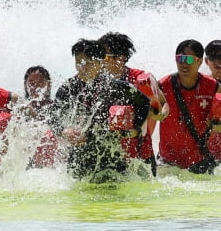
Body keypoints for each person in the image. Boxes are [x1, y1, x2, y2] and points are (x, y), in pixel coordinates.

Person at [50, 39, 150, 183]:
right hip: (78, 157)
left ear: (100, 62)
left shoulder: (117, 86)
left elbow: (144, 103)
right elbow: (53, 117)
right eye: (78, 62)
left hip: (110, 154)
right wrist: (64, 131)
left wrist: (136, 129)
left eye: (88, 63)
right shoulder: (68, 89)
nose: (82, 67)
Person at [98, 32, 169, 176]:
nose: (100, 60)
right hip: (108, 153)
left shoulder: (140, 78)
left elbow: (164, 104)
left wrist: (159, 115)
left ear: (121, 57)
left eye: (105, 56)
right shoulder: (97, 82)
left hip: (140, 152)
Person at [158, 39, 221, 174]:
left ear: (200, 61)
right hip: (168, 162)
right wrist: (158, 113)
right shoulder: (162, 85)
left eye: (189, 60)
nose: (184, 64)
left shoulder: (212, 86)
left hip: (199, 160)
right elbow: (151, 110)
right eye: (180, 59)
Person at [21, 66, 57, 168]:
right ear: (25, 85)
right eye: (31, 83)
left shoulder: (55, 107)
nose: (36, 87)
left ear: (48, 85)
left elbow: (56, 128)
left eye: (40, 82)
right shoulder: (21, 107)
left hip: (48, 156)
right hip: (26, 157)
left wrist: (34, 115)